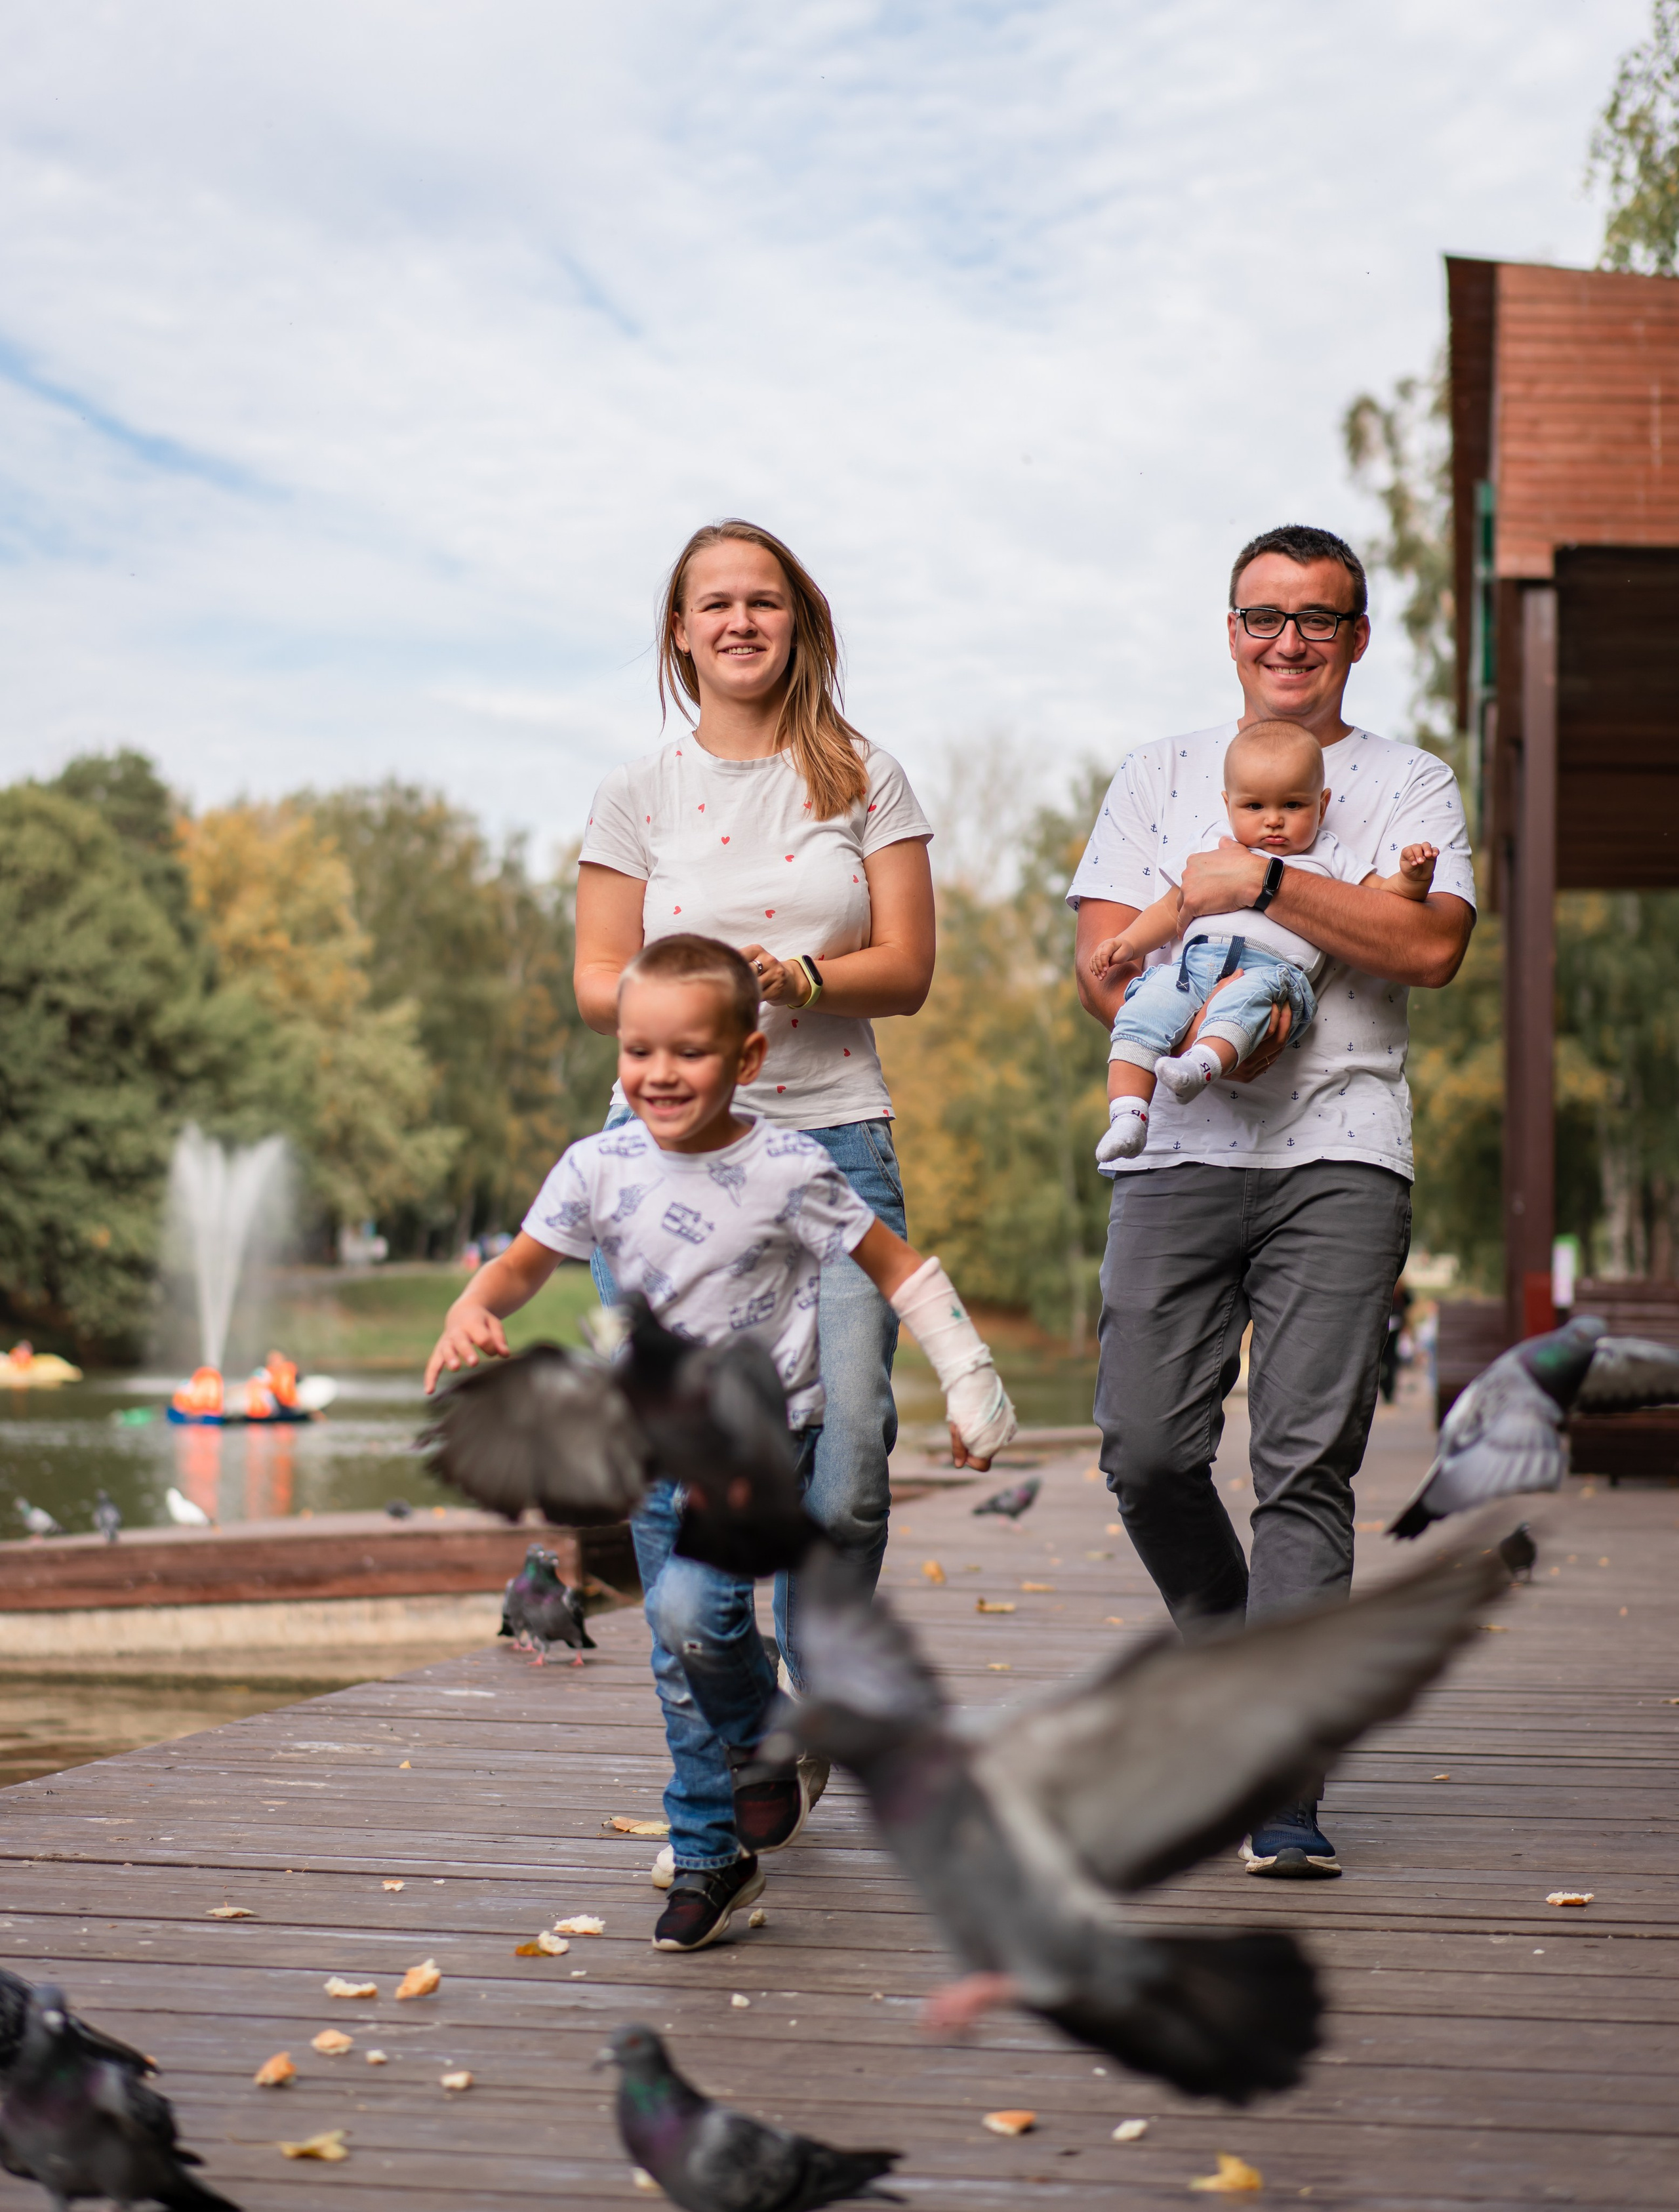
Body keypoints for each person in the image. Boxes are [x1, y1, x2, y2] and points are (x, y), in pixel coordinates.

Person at [424, 935, 1015, 1950]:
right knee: (674, 1642)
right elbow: (523, 1264)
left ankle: (763, 1745)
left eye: (688, 1053)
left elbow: (897, 1267)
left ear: (745, 1059)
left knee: (695, 1611)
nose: (659, 1075)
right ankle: (712, 1856)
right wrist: (473, 1304)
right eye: (637, 1051)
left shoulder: (789, 1166)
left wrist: (969, 1375)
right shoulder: (598, 1166)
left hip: (760, 1438)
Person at [1066, 523, 1476, 1881]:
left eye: (1317, 617)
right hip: (1180, 1148)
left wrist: (1254, 885)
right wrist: (1218, 970)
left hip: (1342, 1148)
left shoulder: (1409, 782)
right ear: (1228, 630)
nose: (1287, 639)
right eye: (1262, 616)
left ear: (1357, 635)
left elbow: (1425, 946)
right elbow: (1098, 972)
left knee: (1304, 1464)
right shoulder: (1155, 777)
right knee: (1141, 1447)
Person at [572, 519, 935, 1688]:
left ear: (800, 622)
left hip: (831, 1138)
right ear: (681, 634)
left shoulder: (866, 775)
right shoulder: (639, 793)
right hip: (666, 1155)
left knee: (852, 1458)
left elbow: (911, 967)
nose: (740, 621)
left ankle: (813, 1681)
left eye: (763, 601)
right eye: (715, 603)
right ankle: (729, 1729)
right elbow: (592, 981)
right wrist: (691, 998)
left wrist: (803, 976)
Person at [1087, 720, 1440, 1162]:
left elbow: (1383, 900)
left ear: (1322, 804)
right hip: (1190, 969)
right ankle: (1129, 1116)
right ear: (1228, 804)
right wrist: (1128, 944)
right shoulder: (1212, 847)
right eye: (1254, 806)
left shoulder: (1327, 856)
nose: (1273, 820)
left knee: (1244, 999)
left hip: (1272, 973)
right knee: (1145, 1006)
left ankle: (1200, 1067)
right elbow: (1168, 910)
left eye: (1293, 805)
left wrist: (1412, 878)